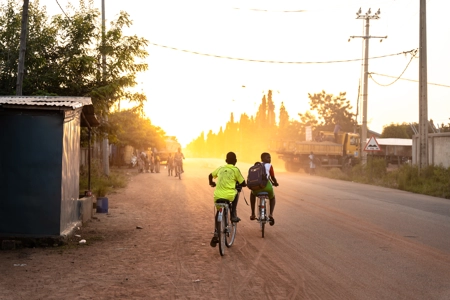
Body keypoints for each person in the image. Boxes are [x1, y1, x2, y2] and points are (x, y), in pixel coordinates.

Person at [208, 152, 247, 247]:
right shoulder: (235, 170)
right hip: (229, 195)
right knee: (236, 192)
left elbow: (210, 175)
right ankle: (233, 214)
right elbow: (243, 183)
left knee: (218, 212)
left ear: (226, 161)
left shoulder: (221, 168)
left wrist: (212, 183)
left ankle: (216, 233)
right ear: (236, 161)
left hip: (217, 196)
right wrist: (241, 185)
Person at [249, 152, 279, 226]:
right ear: (262, 159)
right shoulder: (269, 166)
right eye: (268, 157)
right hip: (267, 187)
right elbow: (272, 177)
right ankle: (271, 214)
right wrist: (276, 183)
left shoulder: (256, 166)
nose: (269, 159)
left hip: (256, 188)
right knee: (272, 198)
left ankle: (253, 213)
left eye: (270, 157)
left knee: (252, 194)